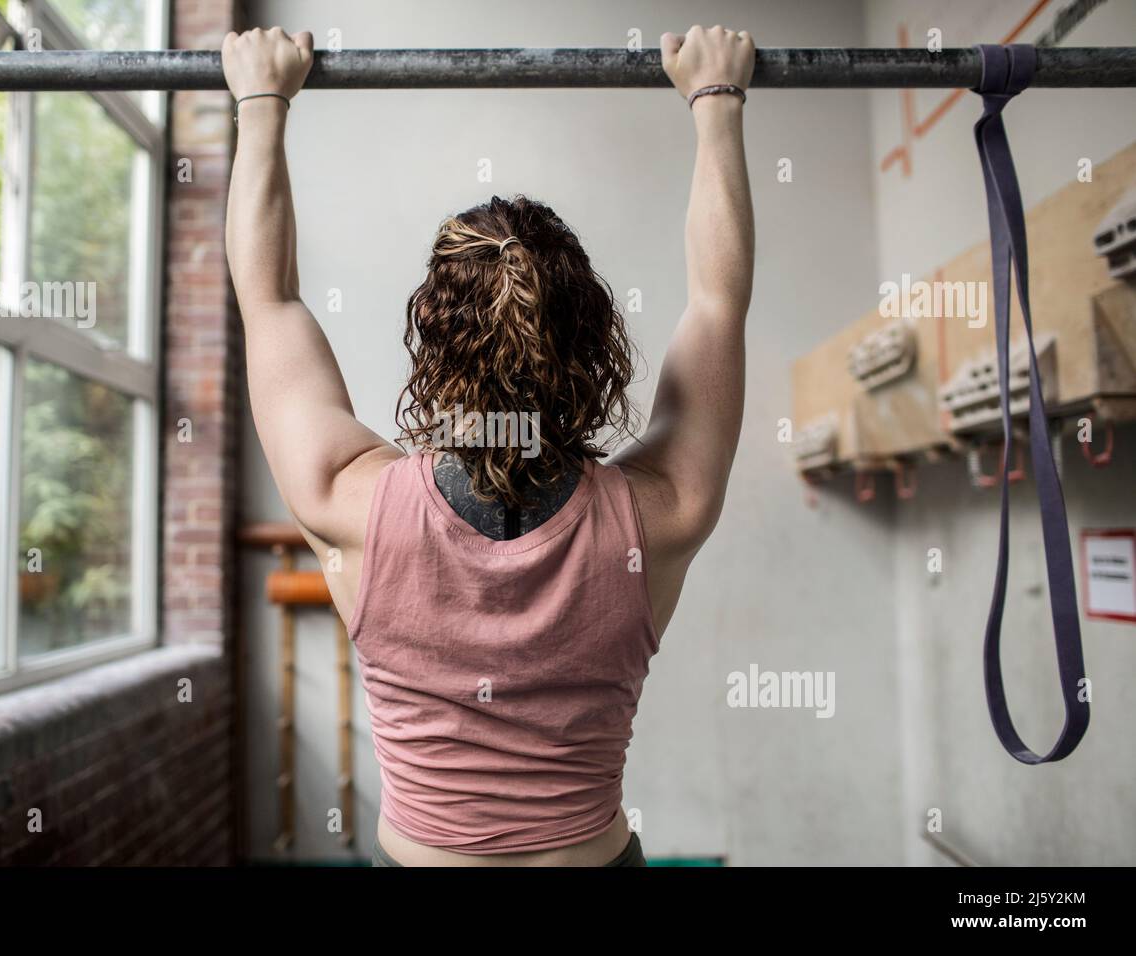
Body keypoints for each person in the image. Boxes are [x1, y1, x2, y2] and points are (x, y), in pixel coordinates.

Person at [222, 23, 755, 866]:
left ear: (430, 342)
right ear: (595, 345)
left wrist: (260, 101)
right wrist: (716, 99)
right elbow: (719, 302)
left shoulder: (346, 502)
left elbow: (268, 299)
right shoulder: (664, 512)